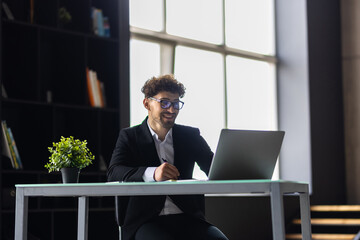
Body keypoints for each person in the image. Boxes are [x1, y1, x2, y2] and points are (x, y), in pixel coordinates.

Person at [107, 74, 228, 240]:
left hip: (188, 218)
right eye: (164, 103)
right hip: (146, 221)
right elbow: (114, 172)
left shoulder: (190, 135)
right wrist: (153, 174)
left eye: (176, 104)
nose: (171, 110)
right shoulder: (129, 136)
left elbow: (213, 167)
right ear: (147, 103)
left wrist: (235, 164)